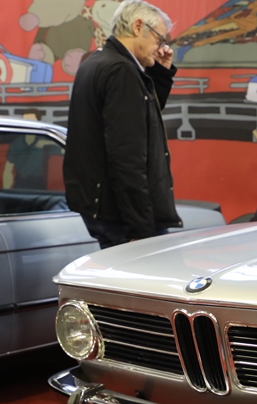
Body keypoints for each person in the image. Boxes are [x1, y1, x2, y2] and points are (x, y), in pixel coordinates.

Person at [63, 0, 181, 249]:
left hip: (102, 208)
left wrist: (160, 74)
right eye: (159, 38)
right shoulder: (121, 71)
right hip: (123, 217)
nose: (162, 47)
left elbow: (143, 118)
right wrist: (140, 228)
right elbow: (127, 157)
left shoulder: (96, 62)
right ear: (138, 27)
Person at [4, 108, 61, 189]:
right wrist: (7, 191)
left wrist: (47, 143)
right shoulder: (17, 143)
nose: (28, 124)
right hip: (20, 183)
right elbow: (8, 169)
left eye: (31, 121)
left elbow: (64, 150)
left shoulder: (45, 140)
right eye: (25, 121)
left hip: (38, 185)